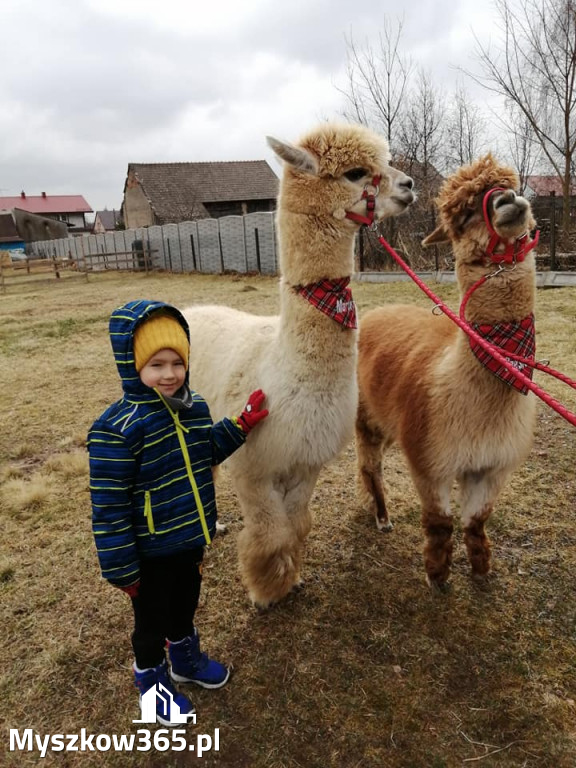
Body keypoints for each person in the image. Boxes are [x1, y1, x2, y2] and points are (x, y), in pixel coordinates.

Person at [88, 299, 268, 726]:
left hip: (189, 539)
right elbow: (109, 509)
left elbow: (207, 450)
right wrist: (122, 570)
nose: (169, 374)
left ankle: (184, 659)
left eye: (177, 363)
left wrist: (240, 425)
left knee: (185, 604)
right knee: (150, 625)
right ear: (132, 366)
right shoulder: (117, 429)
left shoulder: (195, 408)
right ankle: (151, 685)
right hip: (148, 556)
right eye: (156, 364)